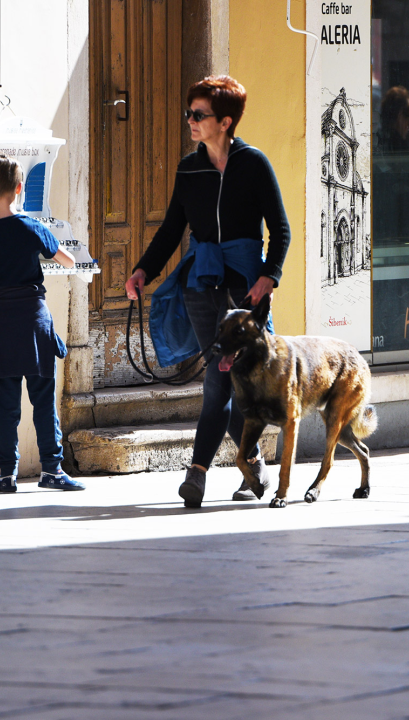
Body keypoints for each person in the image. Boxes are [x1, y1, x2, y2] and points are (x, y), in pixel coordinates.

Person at [124, 75, 291, 508]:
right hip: (201, 284)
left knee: (244, 383)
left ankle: (242, 461)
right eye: (189, 114)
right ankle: (206, 472)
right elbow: (171, 230)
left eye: (198, 115)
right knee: (219, 379)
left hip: (246, 291)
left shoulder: (254, 164)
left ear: (225, 121)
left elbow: (281, 229)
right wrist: (143, 269)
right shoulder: (190, 168)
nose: (191, 122)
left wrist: (268, 276)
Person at [0, 152, 85, 494]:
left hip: (0, 327)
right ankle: (52, 470)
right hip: (34, 323)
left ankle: (6, 474)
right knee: (43, 399)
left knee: (6, 404)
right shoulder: (32, 227)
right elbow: (67, 260)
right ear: (19, 188)